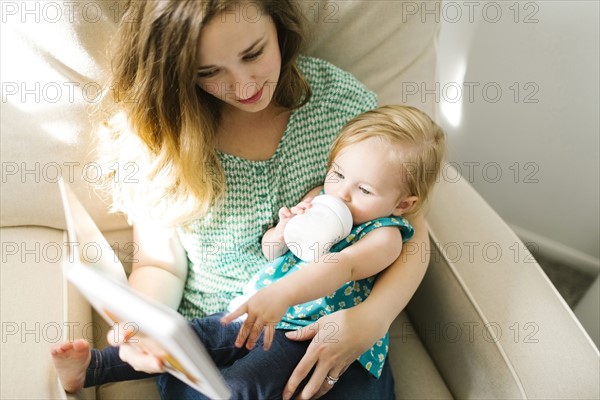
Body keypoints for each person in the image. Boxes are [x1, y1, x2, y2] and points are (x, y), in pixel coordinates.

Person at [52, 1, 433, 398]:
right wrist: (140, 324)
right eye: (209, 72)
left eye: (254, 54)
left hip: (328, 321)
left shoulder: (339, 105)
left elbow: (411, 228)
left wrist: (371, 319)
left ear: (278, 25)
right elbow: (160, 264)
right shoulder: (161, 139)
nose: (245, 86)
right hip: (219, 328)